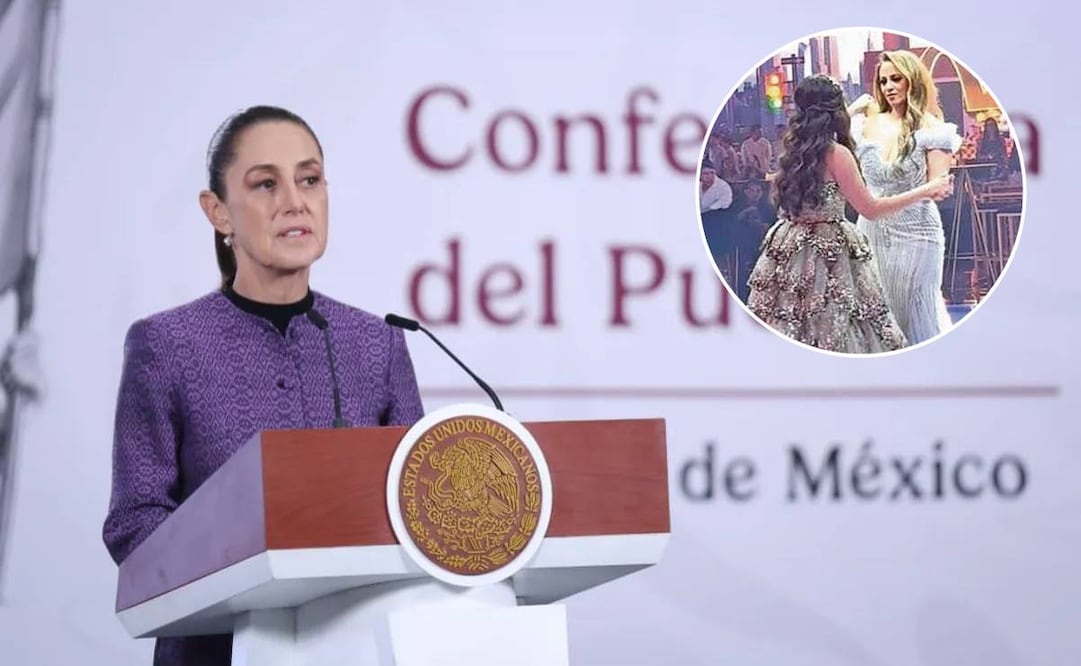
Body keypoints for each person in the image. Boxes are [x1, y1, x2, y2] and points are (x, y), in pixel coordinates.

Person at [101, 105, 426, 666]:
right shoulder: (167, 344)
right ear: (219, 212)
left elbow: (419, 507)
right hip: (213, 651)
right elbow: (135, 523)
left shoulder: (378, 343)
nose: (294, 202)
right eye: (265, 184)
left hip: (359, 646)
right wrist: (248, 565)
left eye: (309, 179)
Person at [747, 75, 953, 354]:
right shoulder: (836, 154)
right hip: (828, 250)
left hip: (788, 244)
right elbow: (870, 208)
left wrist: (851, 110)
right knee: (836, 324)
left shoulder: (794, 150)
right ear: (835, 110)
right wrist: (926, 190)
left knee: (790, 322)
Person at [847, 50, 963, 346]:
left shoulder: (934, 129)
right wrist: (850, 111)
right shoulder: (864, 124)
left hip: (917, 234)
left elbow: (938, 187)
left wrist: (925, 190)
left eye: (895, 78)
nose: (888, 86)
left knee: (916, 310)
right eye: (883, 80)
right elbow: (820, 145)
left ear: (912, 79)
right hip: (871, 232)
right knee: (876, 312)